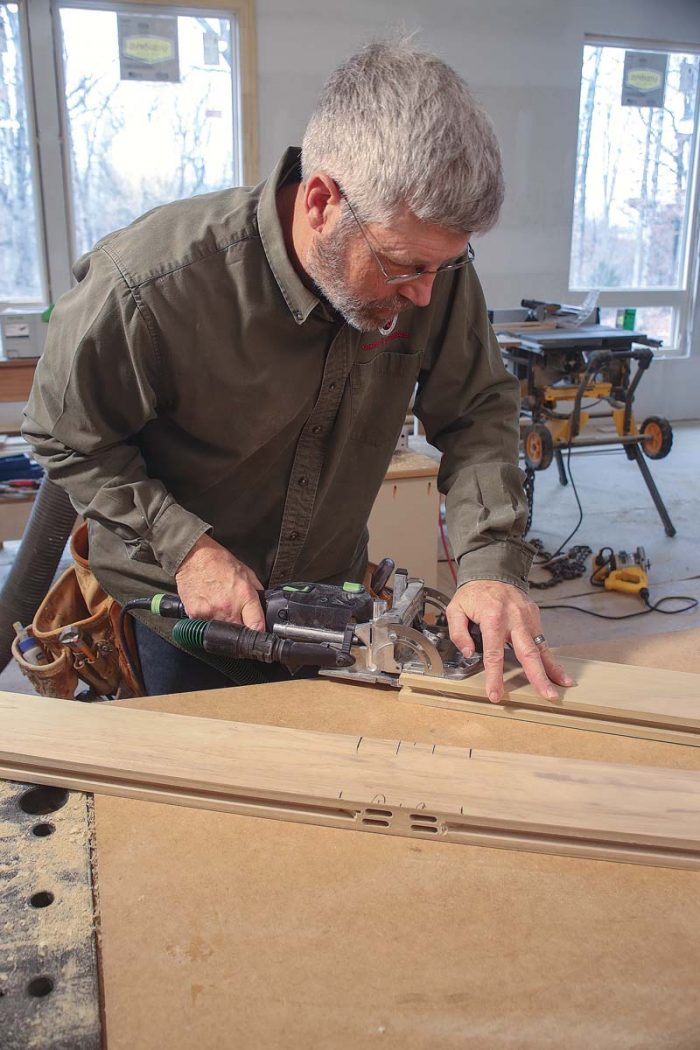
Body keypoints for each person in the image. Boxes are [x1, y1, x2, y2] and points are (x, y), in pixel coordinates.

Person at [23, 38, 573, 701]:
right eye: (405, 266)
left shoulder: (430, 271)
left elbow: (478, 407)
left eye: (444, 265)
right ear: (320, 202)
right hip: (181, 617)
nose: (426, 295)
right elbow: (65, 435)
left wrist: (490, 565)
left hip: (329, 609)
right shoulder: (149, 286)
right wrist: (186, 547)